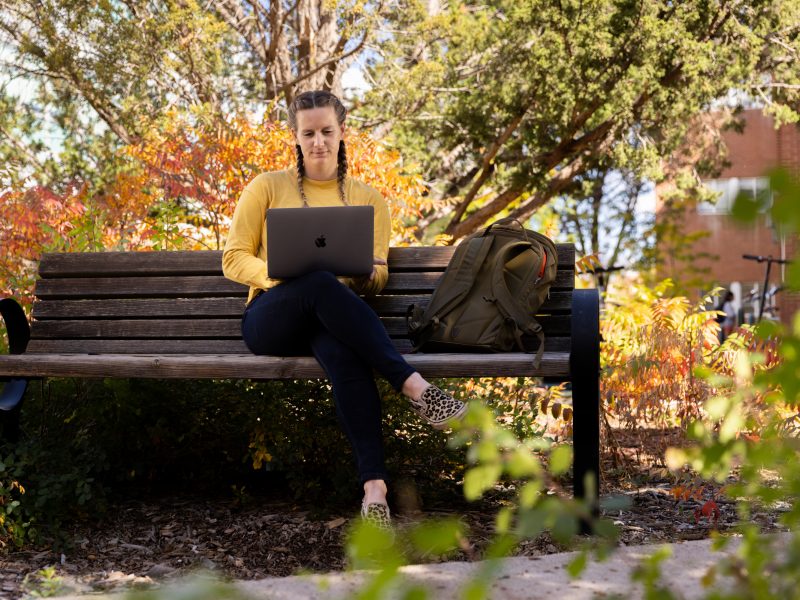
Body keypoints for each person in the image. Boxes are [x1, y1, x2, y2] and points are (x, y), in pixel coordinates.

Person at [221, 90, 467, 530]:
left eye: (327, 131)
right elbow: (233, 258)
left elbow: (377, 273)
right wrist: (285, 278)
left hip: (331, 319)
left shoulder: (367, 198)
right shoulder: (266, 187)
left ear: (342, 132)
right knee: (315, 281)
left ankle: (375, 492)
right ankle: (413, 387)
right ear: (295, 137)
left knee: (343, 355)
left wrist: (357, 273)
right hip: (271, 319)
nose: (318, 141)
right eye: (309, 133)